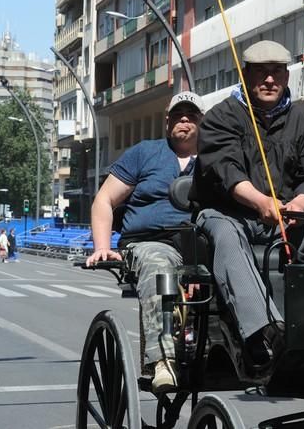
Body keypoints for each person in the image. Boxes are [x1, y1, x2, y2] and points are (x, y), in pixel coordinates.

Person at [192, 40, 304, 376]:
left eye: (276, 72)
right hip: (230, 212)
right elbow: (224, 171)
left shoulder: (303, 121)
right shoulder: (220, 116)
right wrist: (261, 201)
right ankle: (265, 334)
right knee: (224, 232)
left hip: (288, 215)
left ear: (286, 76)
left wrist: (299, 203)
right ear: (245, 74)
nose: (269, 80)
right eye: (261, 73)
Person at [85, 91, 204, 394]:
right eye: (178, 115)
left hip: (198, 244)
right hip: (150, 242)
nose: (184, 120)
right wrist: (102, 245)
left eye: (190, 115)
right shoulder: (144, 153)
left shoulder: (214, 157)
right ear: (167, 121)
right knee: (159, 266)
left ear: (201, 122)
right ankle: (163, 359)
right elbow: (104, 200)